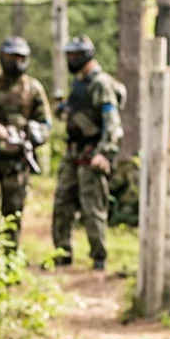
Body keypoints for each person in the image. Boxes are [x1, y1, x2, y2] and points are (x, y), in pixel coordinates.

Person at [51, 36, 125, 271]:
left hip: (92, 155)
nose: (72, 59)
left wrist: (104, 153)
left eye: (76, 55)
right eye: (69, 55)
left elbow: (112, 123)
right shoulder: (79, 82)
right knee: (63, 202)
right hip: (73, 153)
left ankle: (98, 257)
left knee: (92, 207)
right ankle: (62, 252)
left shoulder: (100, 83)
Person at [0, 36, 51, 234]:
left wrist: (35, 135)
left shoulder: (33, 89)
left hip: (17, 161)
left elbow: (45, 124)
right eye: (10, 57)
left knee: (13, 215)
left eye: (20, 58)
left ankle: (9, 260)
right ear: (1, 57)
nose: (15, 62)